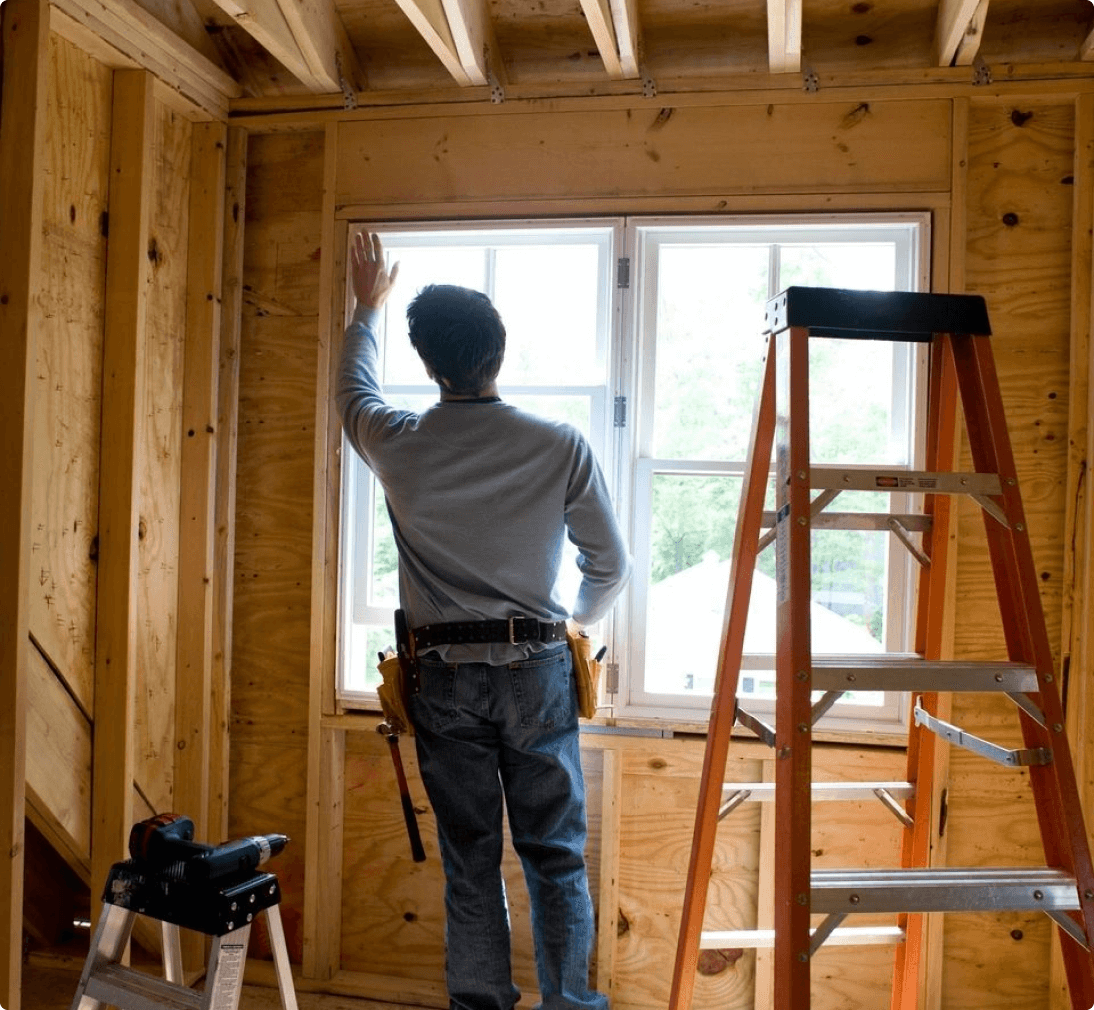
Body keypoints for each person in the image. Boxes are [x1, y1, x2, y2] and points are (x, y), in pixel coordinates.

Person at [336, 232, 632, 1010]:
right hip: (536, 669)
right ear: (498, 353)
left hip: (442, 678)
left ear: (430, 366)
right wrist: (569, 623)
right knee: (556, 857)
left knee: (471, 860)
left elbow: (352, 393)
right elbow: (611, 566)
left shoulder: (399, 444)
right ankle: (569, 1005)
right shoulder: (558, 444)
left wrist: (366, 308)